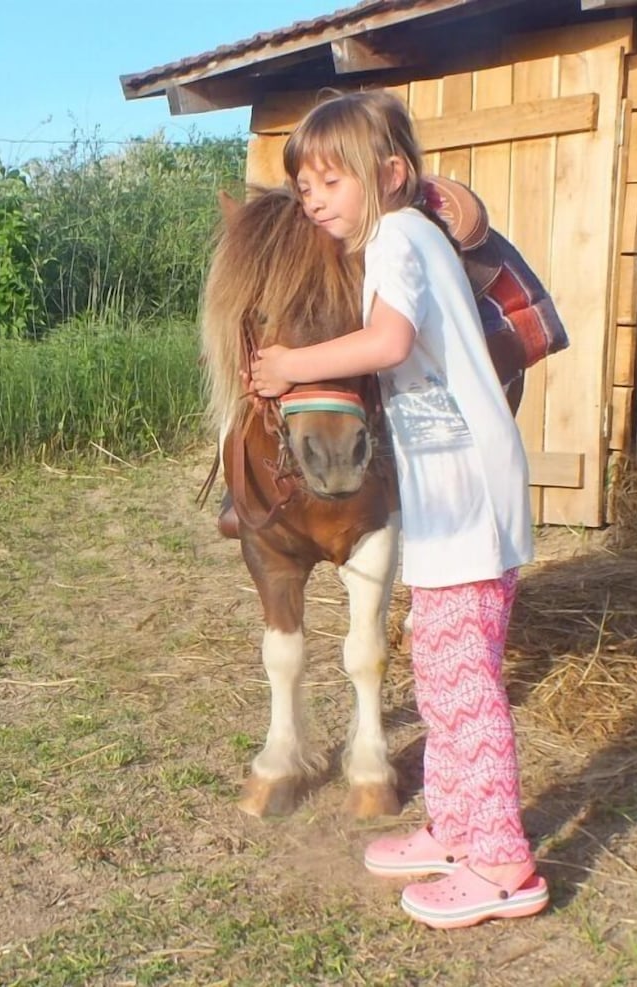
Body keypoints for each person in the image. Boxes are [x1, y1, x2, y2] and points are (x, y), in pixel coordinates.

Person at [245, 90, 548, 930]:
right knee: (442, 676)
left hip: (468, 497)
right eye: (304, 185)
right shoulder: (399, 238)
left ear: (388, 175)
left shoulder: (400, 237)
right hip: (455, 497)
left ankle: (501, 864)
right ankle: (454, 829)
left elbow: (387, 344)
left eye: (330, 181)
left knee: (464, 688)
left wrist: (292, 365)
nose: (313, 200)